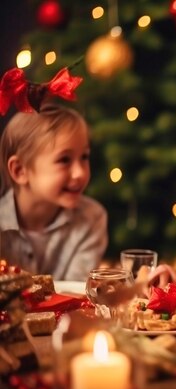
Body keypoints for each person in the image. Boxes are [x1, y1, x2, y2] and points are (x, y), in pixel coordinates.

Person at [0, 103, 107, 281]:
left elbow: (77, 292)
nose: (80, 172)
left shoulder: (92, 218)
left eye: (84, 157)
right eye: (64, 160)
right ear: (20, 170)